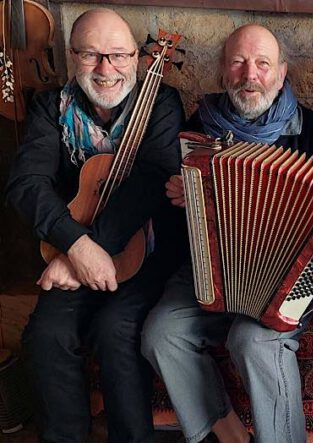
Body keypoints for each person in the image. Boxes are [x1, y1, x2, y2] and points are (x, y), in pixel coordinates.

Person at [141, 24, 313, 443]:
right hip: (209, 269)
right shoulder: (198, 127)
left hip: (288, 277)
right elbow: (173, 227)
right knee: (160, 334)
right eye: (239, 62)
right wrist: (181, 198)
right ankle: (230, 434)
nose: (250, 74)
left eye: (262, 63)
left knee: (252, 340)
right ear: (224, 72)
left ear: (281, 72)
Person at [5, 8, 185, 442]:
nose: (106, 69)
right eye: (91, 55)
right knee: (45, 334)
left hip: (145, 249)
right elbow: (26, 185)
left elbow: (153, 178)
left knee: (116, 329)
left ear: (138, 60)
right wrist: (78, 248)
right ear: (71, 56)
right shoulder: (52, 107)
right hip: (76, 248)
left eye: (119, 55)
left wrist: (83, 253)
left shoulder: (161, 102)